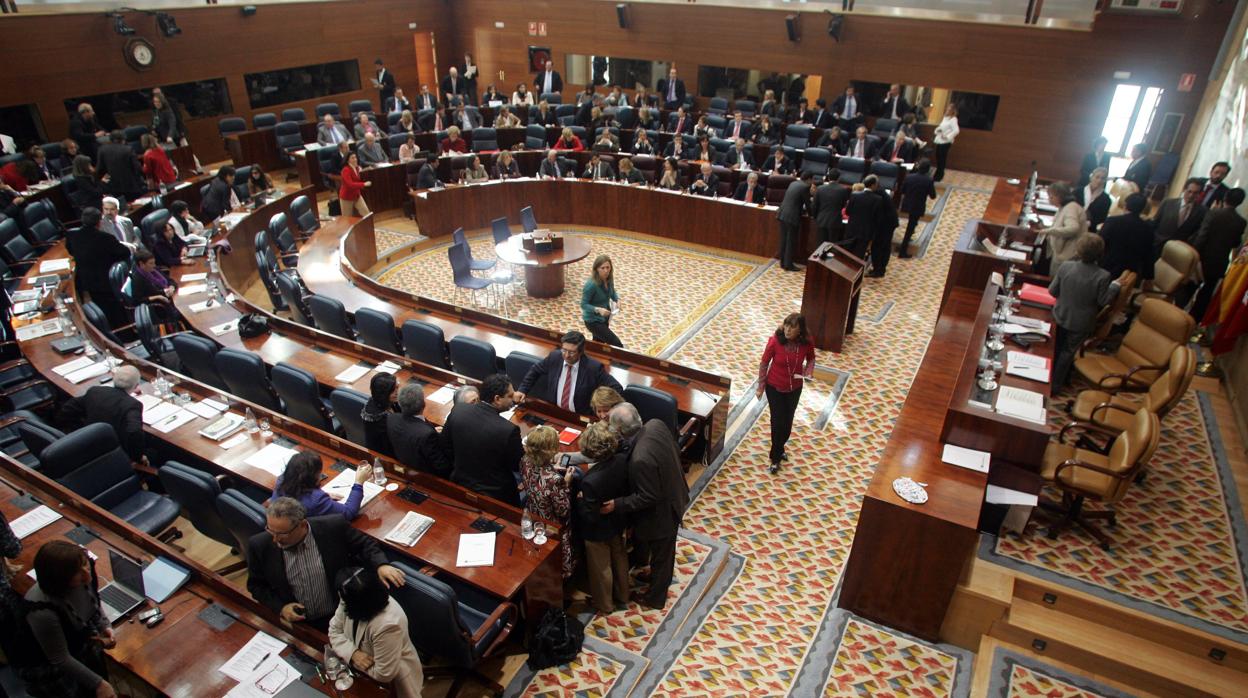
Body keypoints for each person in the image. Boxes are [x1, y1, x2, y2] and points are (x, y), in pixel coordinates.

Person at [247, 498, 405, 631]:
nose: (275, 539)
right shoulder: (259, 545)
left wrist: (381, 565)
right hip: (299, 625)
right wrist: (281, 607)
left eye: (282, 534)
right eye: (270, 530)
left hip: (342, 617)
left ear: (302, 525)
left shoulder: (333, 527)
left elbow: (365, 544)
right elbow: (256, 586)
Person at [602, 403, 689, 610]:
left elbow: (647, 496)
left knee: (663, 556)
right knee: (659, 553)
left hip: (663, 513)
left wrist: (617, 504)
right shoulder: (655, 424)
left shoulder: (640, 459)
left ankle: (655, 598)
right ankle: (653, 575)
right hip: (675, 490)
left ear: (621, 431)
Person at [14, 541, 116, 698]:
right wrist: (99, 684)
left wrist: (104, 626)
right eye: (77, 573)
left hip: (78, 645)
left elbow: (92, 602)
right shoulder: (41, 610)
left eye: (85, 565)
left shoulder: (83, 577)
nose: (87, 575)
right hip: (51, 669)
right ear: (59, 578)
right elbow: (60, 658)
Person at [328, 567, 424, 697]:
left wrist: (346, 651)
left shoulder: (388, 624)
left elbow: (383, 673)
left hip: (394, 682)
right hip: (360, 673)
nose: (341, 600)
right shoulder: (349, 596)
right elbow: (334, 631)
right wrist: (353, 653)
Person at [1049, 235, 1121, 390]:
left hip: (1060, 315)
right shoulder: (1103, 276)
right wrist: (1114, 287)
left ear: (1078, 250)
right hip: (1081, 323)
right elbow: (1103, 301)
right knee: (1067, 353)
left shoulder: (1065, 266)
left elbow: (1052, 291)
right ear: (1101, 253)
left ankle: (1047, 378)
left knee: (1054, 348)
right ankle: (1055, 385)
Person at [441, 374, 524, 505]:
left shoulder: (458, 410)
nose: (513, 399)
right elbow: (517, 465)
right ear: (497, 399)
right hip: (497, 495)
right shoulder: (508, 430)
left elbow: (445, 445)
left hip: (461, 484)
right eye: (509, 396)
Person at [575, 422, 631, 614]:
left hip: (597, 531)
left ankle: (604, 604)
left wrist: (580, 500)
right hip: (617, 519)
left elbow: (590, 515)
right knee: (619, 557)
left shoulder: (589, 481)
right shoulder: (621, 460)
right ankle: (624, 595)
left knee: (601, 568)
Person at [755, 314, 816, 473]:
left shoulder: (807, 342)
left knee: (788, 422)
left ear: (800, 330)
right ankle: (775, 458)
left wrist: (809, 372)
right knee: (777, 422)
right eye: (786, 325)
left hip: (795, 388)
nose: (788, 330)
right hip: (774, 387)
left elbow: (811, 359)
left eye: (793, 327)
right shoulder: (775, 341)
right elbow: (764, 363)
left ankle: (780, 448)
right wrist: (761, 386)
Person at [516, 330, 624, 415]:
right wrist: (522, 390)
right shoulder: (555, 357)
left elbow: (617, 388)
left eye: (571, 352)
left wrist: (599, 408)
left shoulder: (593, 367)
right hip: (554, 412)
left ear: (581, 352)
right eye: (564, 350)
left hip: (580, 417)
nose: (566, 355)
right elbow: (535, 370)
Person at [56, 364, 144, 461]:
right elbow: (134, 432)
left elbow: (68, 409)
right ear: (136, 386)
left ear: (113, 378)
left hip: (85, 441)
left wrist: (77, 429)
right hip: (112, 453)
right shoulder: (133, 405)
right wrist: (138, 457)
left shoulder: (95, 391)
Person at [521, 426, 576, 579]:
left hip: (534, 513)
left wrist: (552, 468)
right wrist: (566, 483)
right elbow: (563, 510)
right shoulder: (555, 480)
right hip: (553, 524)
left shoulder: (525, 460)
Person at [1189, 188, 1247, 320]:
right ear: (1240, 202)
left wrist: (1193, 255)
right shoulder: (1241, 222)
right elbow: (1235, 243)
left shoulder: (1214, 213)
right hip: (1219, 263)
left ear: (1225, 197)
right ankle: (1193, 321)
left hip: (1201, 259)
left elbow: (1202, 236)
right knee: (1205, 295)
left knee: (1189, 289)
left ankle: (1175, 317)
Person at [67, 208, 131, 326]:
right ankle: (125, 332)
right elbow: (125, 253)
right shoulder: (106, 238)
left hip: (87, 281)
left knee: (103, 309)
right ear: (99, 222)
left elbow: (71, 251)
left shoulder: (73, 236)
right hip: (106, 281)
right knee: (116, 312)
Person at [274, 451, 373, 520]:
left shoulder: (281, 480)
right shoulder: (316, 500)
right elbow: (348, 513)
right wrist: (359, 483)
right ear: (311, 477)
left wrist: (324, 496)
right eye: (318, 474)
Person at [387, 382, 450, 477]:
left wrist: (430, 430)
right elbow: (442, 466)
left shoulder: (392, 418)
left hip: (406, 464)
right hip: (426, 476)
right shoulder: (426, 434)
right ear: (423, 405)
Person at [1099, 192, 1154, 281]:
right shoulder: (1148, 229)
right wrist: (1148, 278)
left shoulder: (1112, 221)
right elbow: (1149, 254)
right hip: (1128, 274)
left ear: (1125, 205)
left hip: (1106, 267)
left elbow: (1100, 243)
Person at [1039, 181, 1088, 269]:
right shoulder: (1064, 206)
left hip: (1067, 257)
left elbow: (1073, 228)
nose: (1049, 199)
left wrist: (1049, 231)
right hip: (1061, 255)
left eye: (1051, 197)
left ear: (1060, 196)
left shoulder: (1071, 207)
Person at [1152, 177, 1207, 253]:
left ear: (1199, 194)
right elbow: (1154, 223)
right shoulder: (1168, 203)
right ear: (1184, 189)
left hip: (1178, 252)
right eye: (1189, 191)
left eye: (1195, 193)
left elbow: (1196, 233)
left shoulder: (1201, 212)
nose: (1191, 195)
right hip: (1157, 245)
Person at [898, 159, 937, 257]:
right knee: (911, 226)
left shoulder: (909, 177)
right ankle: (902, 251)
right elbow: (933, 196)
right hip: (917, 206)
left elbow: (902, 190)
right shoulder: (928, 180)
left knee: (912, 224)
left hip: (907, 204)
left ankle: (907, 239)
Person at [129, 249, 178, 325]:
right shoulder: (138, 279)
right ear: (141, 264)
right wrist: (157, 297)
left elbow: (170, 280)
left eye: (154, 262)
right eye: (151, 263)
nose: (154, 265)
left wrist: (172, 287)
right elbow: (136, 301)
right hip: (159, 308)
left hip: (171, 296)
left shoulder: (154, 270)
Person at [582, 255, 622, 346]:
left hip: (604, 317)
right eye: (602, 268)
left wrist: (617, 299)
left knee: (598, 344)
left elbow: (612, 291)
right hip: (592, 321)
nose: (606, 271)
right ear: (596, 269)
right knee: (617, 344)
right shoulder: (591, 285)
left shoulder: (608, 278)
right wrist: (598, 309)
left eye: (608, 267)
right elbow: (583, 305)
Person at [777, 172, 814, 271]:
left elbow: (795, 200)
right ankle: (788, 264)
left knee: (784, 239)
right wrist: (812, 214)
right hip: (792, 216)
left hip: (782, 213)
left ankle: (782, 262)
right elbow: (807, 203)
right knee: (791, 240)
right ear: (809, 179)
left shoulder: (793, 183)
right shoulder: (805, 187)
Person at [96, 130, 144, 201]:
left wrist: (107, 180)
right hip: (131, 186)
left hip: (113, 188)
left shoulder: (102, 150)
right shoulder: (128, 149)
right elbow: (137, 168)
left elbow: (100, 170)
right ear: (123, 139)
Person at [845, 174, 883, 260]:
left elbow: (848, 212)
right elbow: (877, 219)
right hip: (865, 232)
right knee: (858, 256)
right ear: (873, 185)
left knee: (847, 253)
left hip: (852, 229)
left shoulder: (855, 195)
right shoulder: (878, 199)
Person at [868, 176, 900, 277]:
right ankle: (880, 269)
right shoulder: (881, 191)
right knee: (884, 246)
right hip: (889, 223)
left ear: (873, 185)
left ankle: (878, 270)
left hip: (886, 224)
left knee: (878, 247)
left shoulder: (877, 194)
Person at [361, 373, 397, 456]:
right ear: (384, 394)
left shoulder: (383, 401)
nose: (397, 392)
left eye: (397, 388)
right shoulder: (379, 418)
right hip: (384, 455)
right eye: (393, 390)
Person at [811, 172, 850, 244]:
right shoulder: (843, 190)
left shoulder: (820, 188)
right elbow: (844, 205)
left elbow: (814, 205)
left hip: (821, 220)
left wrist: (816, 217)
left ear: (828, 178)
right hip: (835, 221)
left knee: (820, 244)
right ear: (839, 178)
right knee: (831, 245)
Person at [1075, 167, 1111, 232]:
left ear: (1105, 181)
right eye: (1097, 177)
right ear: (1091, 177)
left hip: (1090, 229)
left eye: (1103, 178)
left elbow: (1102, 218)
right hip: (1072, 222)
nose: (1099, 180)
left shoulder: (1106, 199)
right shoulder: (1077, 191)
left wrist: (1087, 223)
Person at [340, 152, 373, 217]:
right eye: (352, 158)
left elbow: (357, 177)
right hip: (347, 197)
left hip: (357, 195)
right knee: (347, 218)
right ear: (348, 160)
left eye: (355, 157)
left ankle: (369, 227)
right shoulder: (345, 170)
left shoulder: (357, 168)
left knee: (367, 214)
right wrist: (363, 184)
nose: (355, 159)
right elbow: (350, 184)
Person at [932, 104, 960, 182]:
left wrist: (948, 136)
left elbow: (956, 130)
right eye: (947, 109)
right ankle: (938, 173)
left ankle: (939, 175)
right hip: (940, 140)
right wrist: (937, 130)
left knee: (942, 158)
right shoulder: (945, 118)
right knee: (938, 157)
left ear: (952, 111)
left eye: (949, 109)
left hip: (946, 142)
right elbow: (941, 126)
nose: (947, 110)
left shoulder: (953, 119)